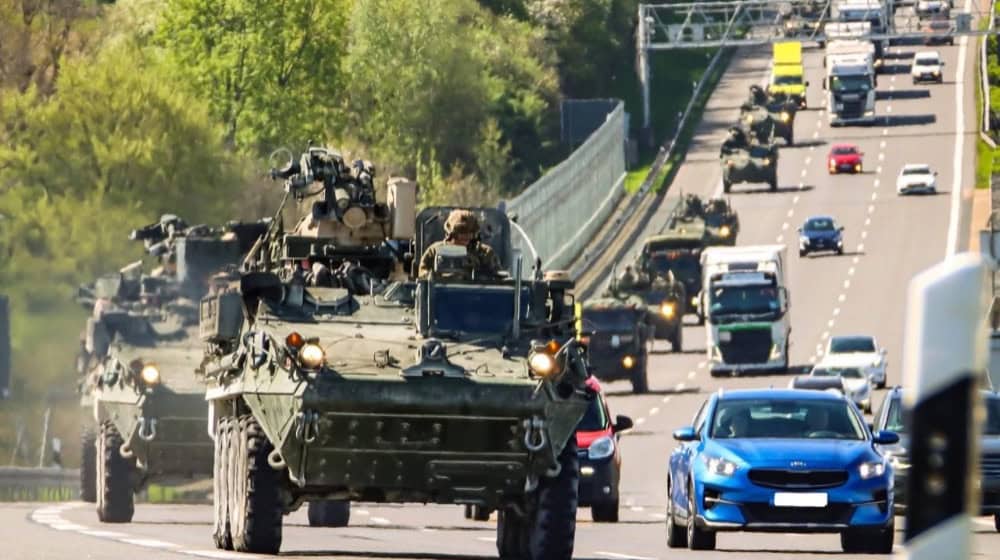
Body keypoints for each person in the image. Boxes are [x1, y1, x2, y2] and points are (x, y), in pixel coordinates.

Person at [418, 209, 501, 279]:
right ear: (451, 233)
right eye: (461, 232)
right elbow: (423, 275)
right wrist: (435, 277)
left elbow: (498, 277)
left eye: (470, 232)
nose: (466, 236)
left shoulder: (485, 253)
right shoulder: (435, 251)